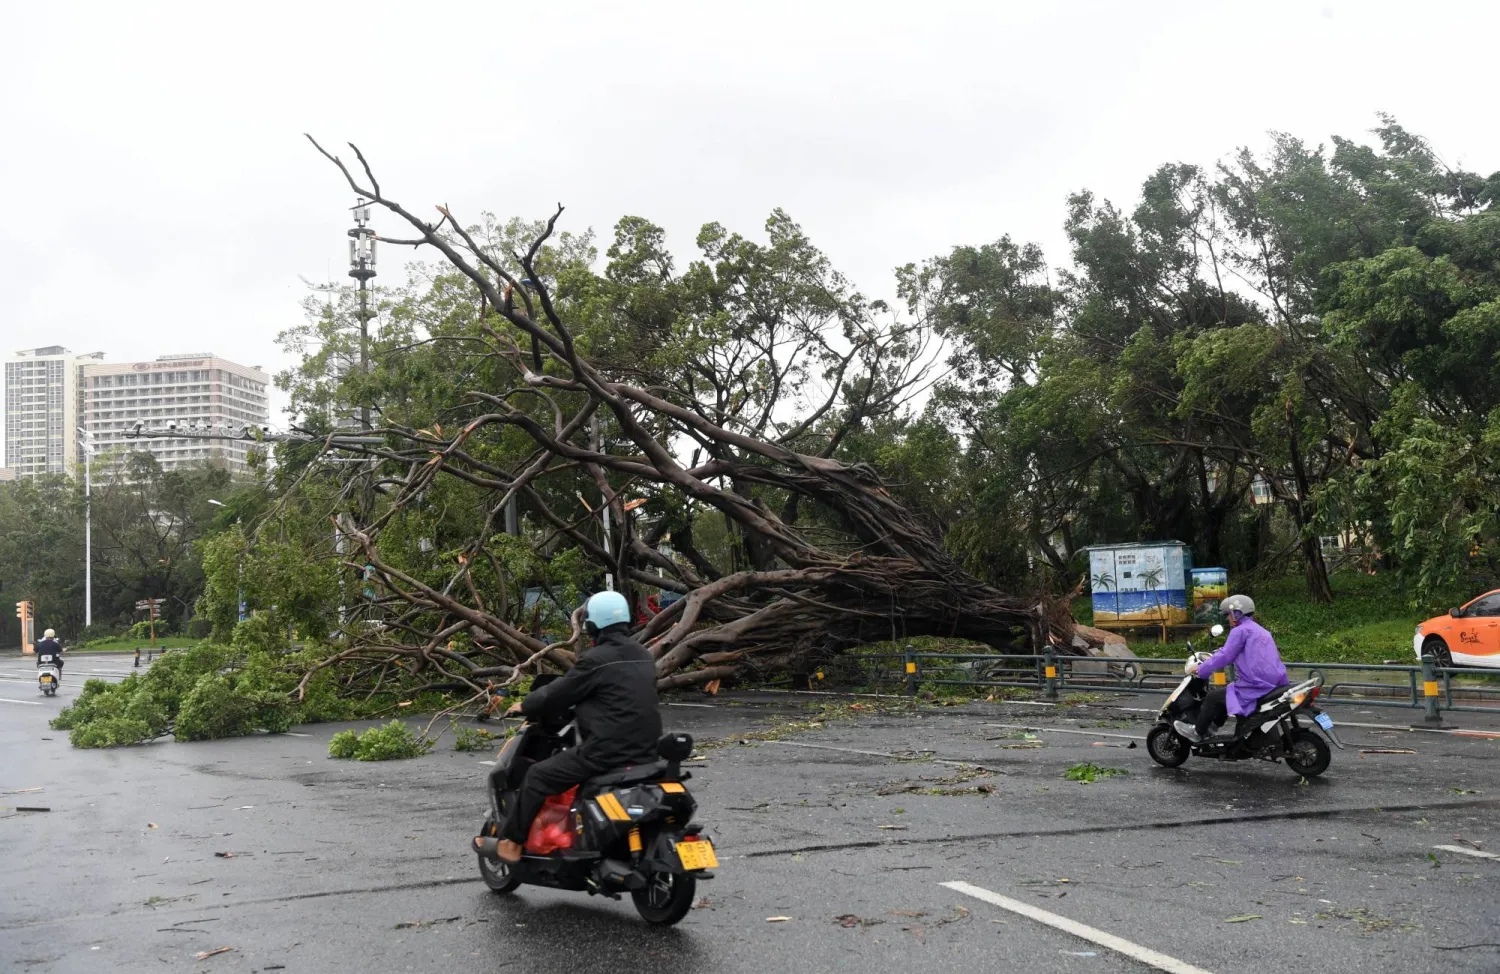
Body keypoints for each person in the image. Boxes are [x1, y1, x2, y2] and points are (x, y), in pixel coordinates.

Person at [492, 590, 662, 863]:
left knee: (537, 775)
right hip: (649, 751)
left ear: (592, 625)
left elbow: (557, 692)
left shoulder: (596, 660)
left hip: (605, 753)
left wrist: (525, 705)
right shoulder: (643, 655)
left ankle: (512, 842)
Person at [1174, 595, 1287, 743]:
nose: (1227, 618)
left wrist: (1201, 670)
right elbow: (1234, 651)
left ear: (1237, 613)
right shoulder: (1261, 631)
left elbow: (1226, 655)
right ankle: (1213, 728)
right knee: (1227, 695)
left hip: (1254, 685)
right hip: (1275, 682)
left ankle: (1198, 732)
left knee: (1212, 698)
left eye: (1228, 614)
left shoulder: (1240, 631)